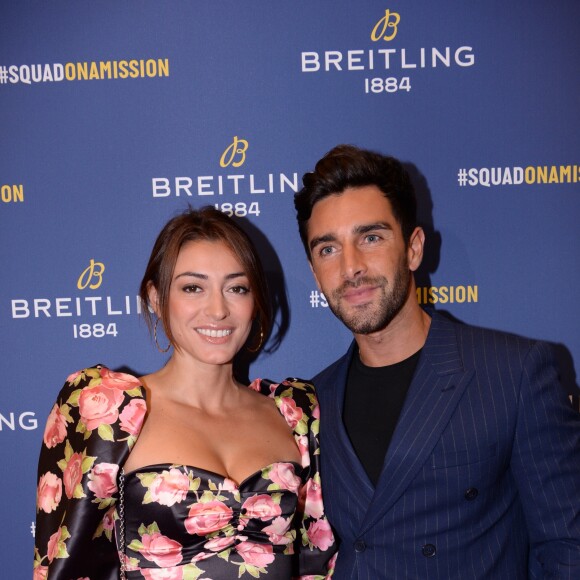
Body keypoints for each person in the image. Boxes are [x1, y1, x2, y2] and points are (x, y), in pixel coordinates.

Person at [294, 144, 580, 578]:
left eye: (370, 238)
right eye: (328, 249)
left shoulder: (515, 374)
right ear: (315, 273)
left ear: (413, 248)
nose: (351, 267)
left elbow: (566, 547)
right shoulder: (312, 401)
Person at [34, 207, 336, 579]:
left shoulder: (295, 412)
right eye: (193, 287)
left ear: (255, 301)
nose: (217, 309)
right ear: (156, 298)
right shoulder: (107, 411)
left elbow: (318, 559)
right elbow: (64, 566)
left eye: (236, 288)